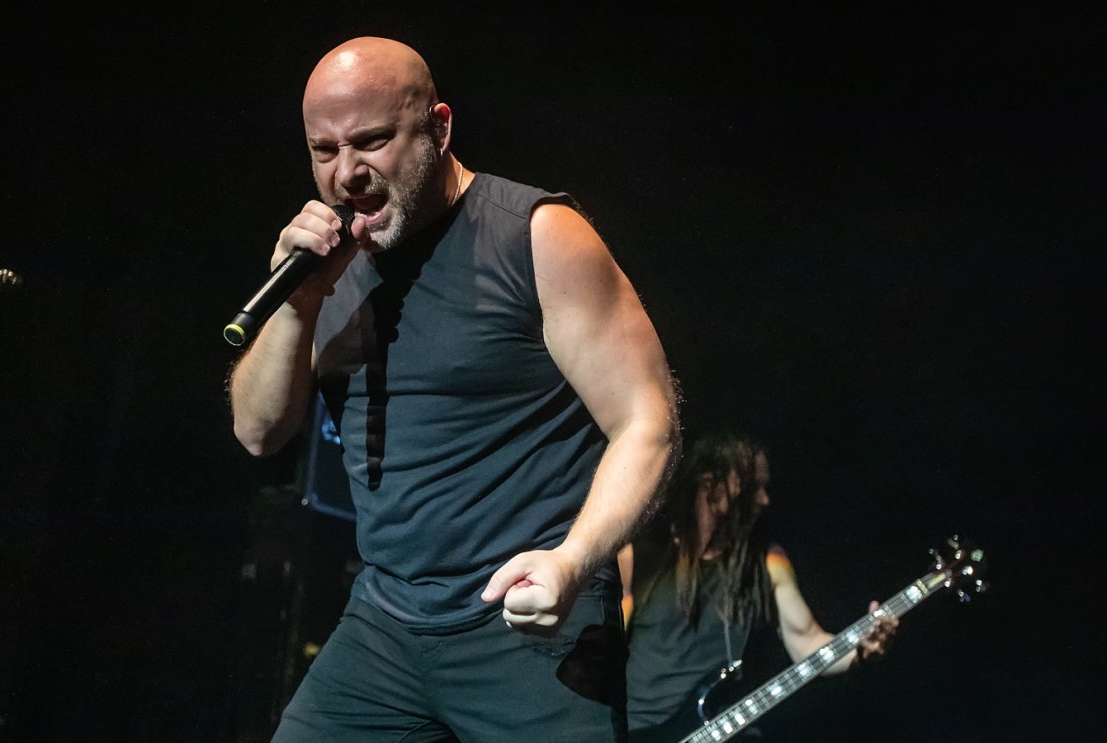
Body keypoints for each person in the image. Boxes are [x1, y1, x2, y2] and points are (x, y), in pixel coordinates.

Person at [228, 36, 680, 741]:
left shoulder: (535, 235)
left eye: (372, 141)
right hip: (386, 624)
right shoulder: (325, 266)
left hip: (529, 622)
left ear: (439, 128)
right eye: (324, 150)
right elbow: (258, 431)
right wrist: (297, 304)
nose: (347, 173)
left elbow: (648, 420)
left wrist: (571, 560)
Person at [620, 434, 899, 741]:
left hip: (725, 729)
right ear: (710, 485)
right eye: (752, 486)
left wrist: (860, 647)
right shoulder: (640, 555)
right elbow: (602, 656)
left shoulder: (768, 561)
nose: (764, 499)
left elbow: (806, 642)